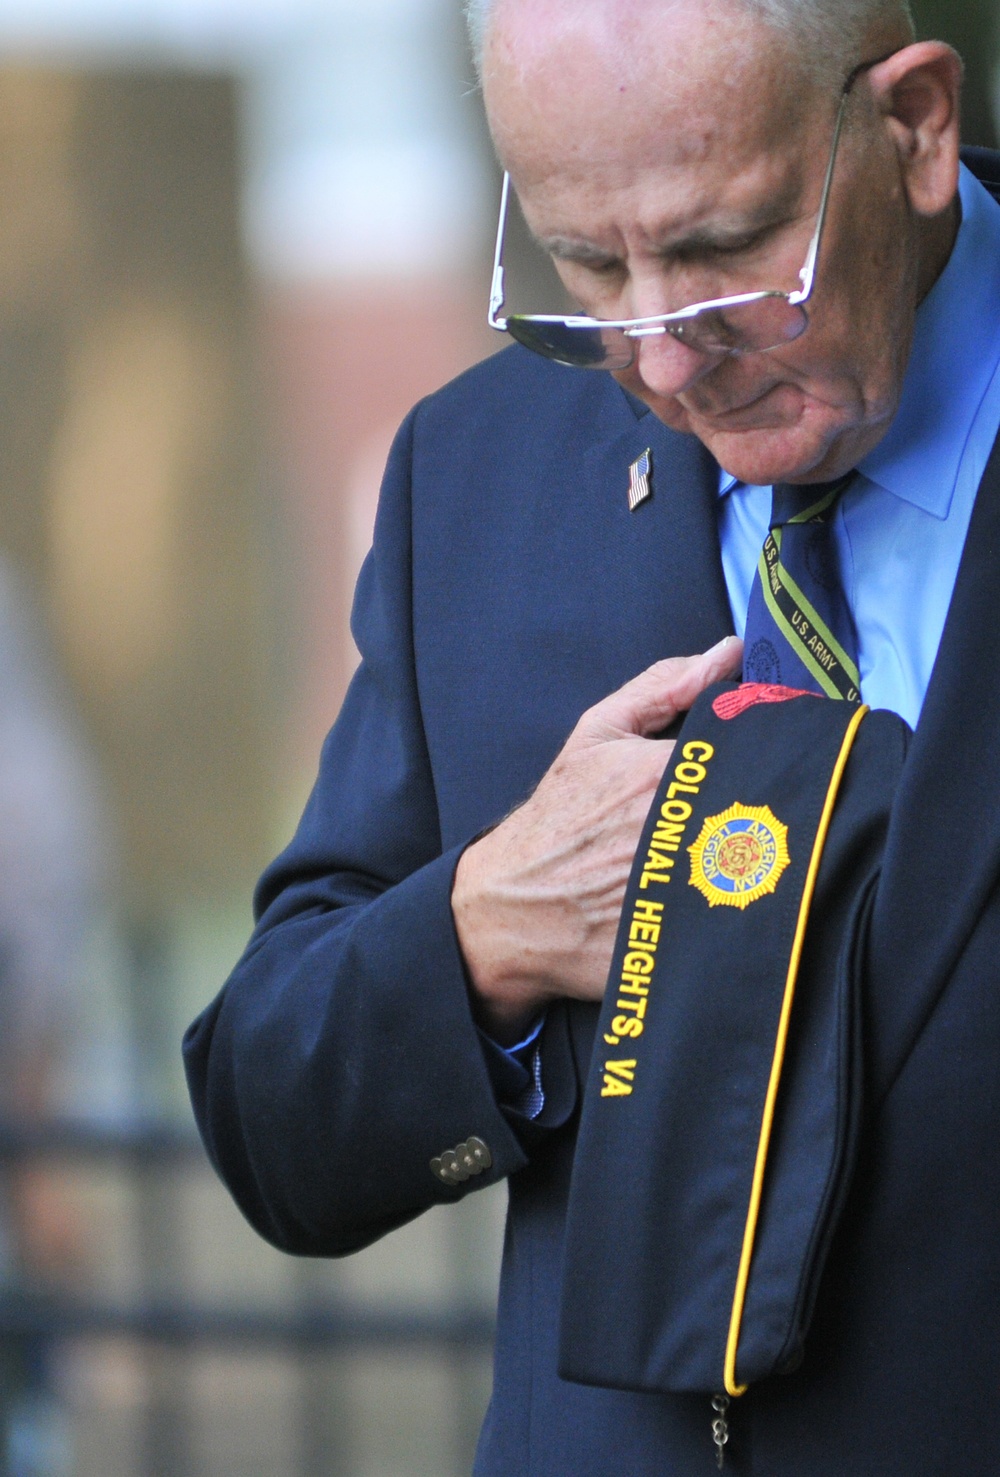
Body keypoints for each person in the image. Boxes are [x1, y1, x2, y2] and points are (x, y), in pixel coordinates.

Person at [185, 0, 1000, 1470]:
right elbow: (273, 1120)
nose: (662, 362)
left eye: (722, 248)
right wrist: (482, 929)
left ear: (915, 128)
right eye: (584, 264)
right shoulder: (476, 471)